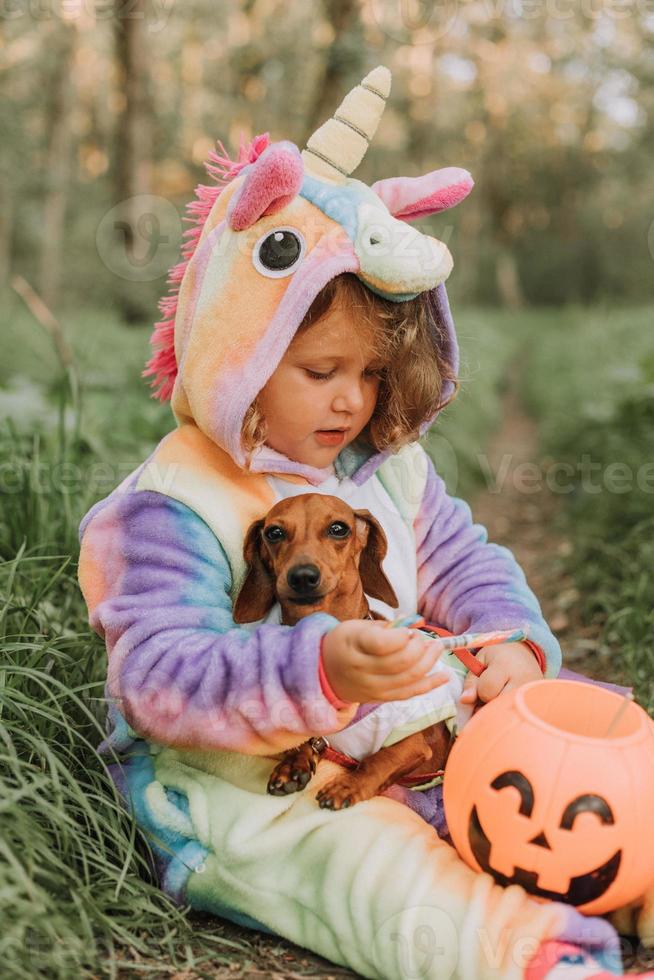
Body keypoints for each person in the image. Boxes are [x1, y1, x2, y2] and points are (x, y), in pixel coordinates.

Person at [77, 68, 652, 979]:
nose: (352, 399)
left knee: (582, 733)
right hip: (240, 792)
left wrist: (514, 647)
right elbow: (155, 676)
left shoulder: (380, 470)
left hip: (405, 722)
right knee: (377, 872)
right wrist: (318, 667)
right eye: (319, 371)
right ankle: (542, 954)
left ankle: (630, 870)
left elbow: (466, 561)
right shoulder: (171, 503)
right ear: (240, 350)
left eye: (374, 373)